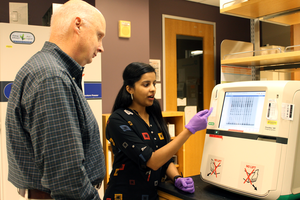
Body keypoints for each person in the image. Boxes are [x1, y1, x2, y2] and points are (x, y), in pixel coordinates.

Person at [5, 0, 106, 199]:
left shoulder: (50, 70)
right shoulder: (51, 77)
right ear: (78, 25)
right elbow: (67, 178)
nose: (101, 47)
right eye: (99, 36)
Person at [103, 62, 213, 200]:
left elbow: (164, 157)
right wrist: (189, 130)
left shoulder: (154, 115)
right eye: (146, 84)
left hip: (153, 195)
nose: (153, 89)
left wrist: (176, 177)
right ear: (130, 89)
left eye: (154, 83)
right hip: (125, 195)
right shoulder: (118, 120)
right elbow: (152, 161)